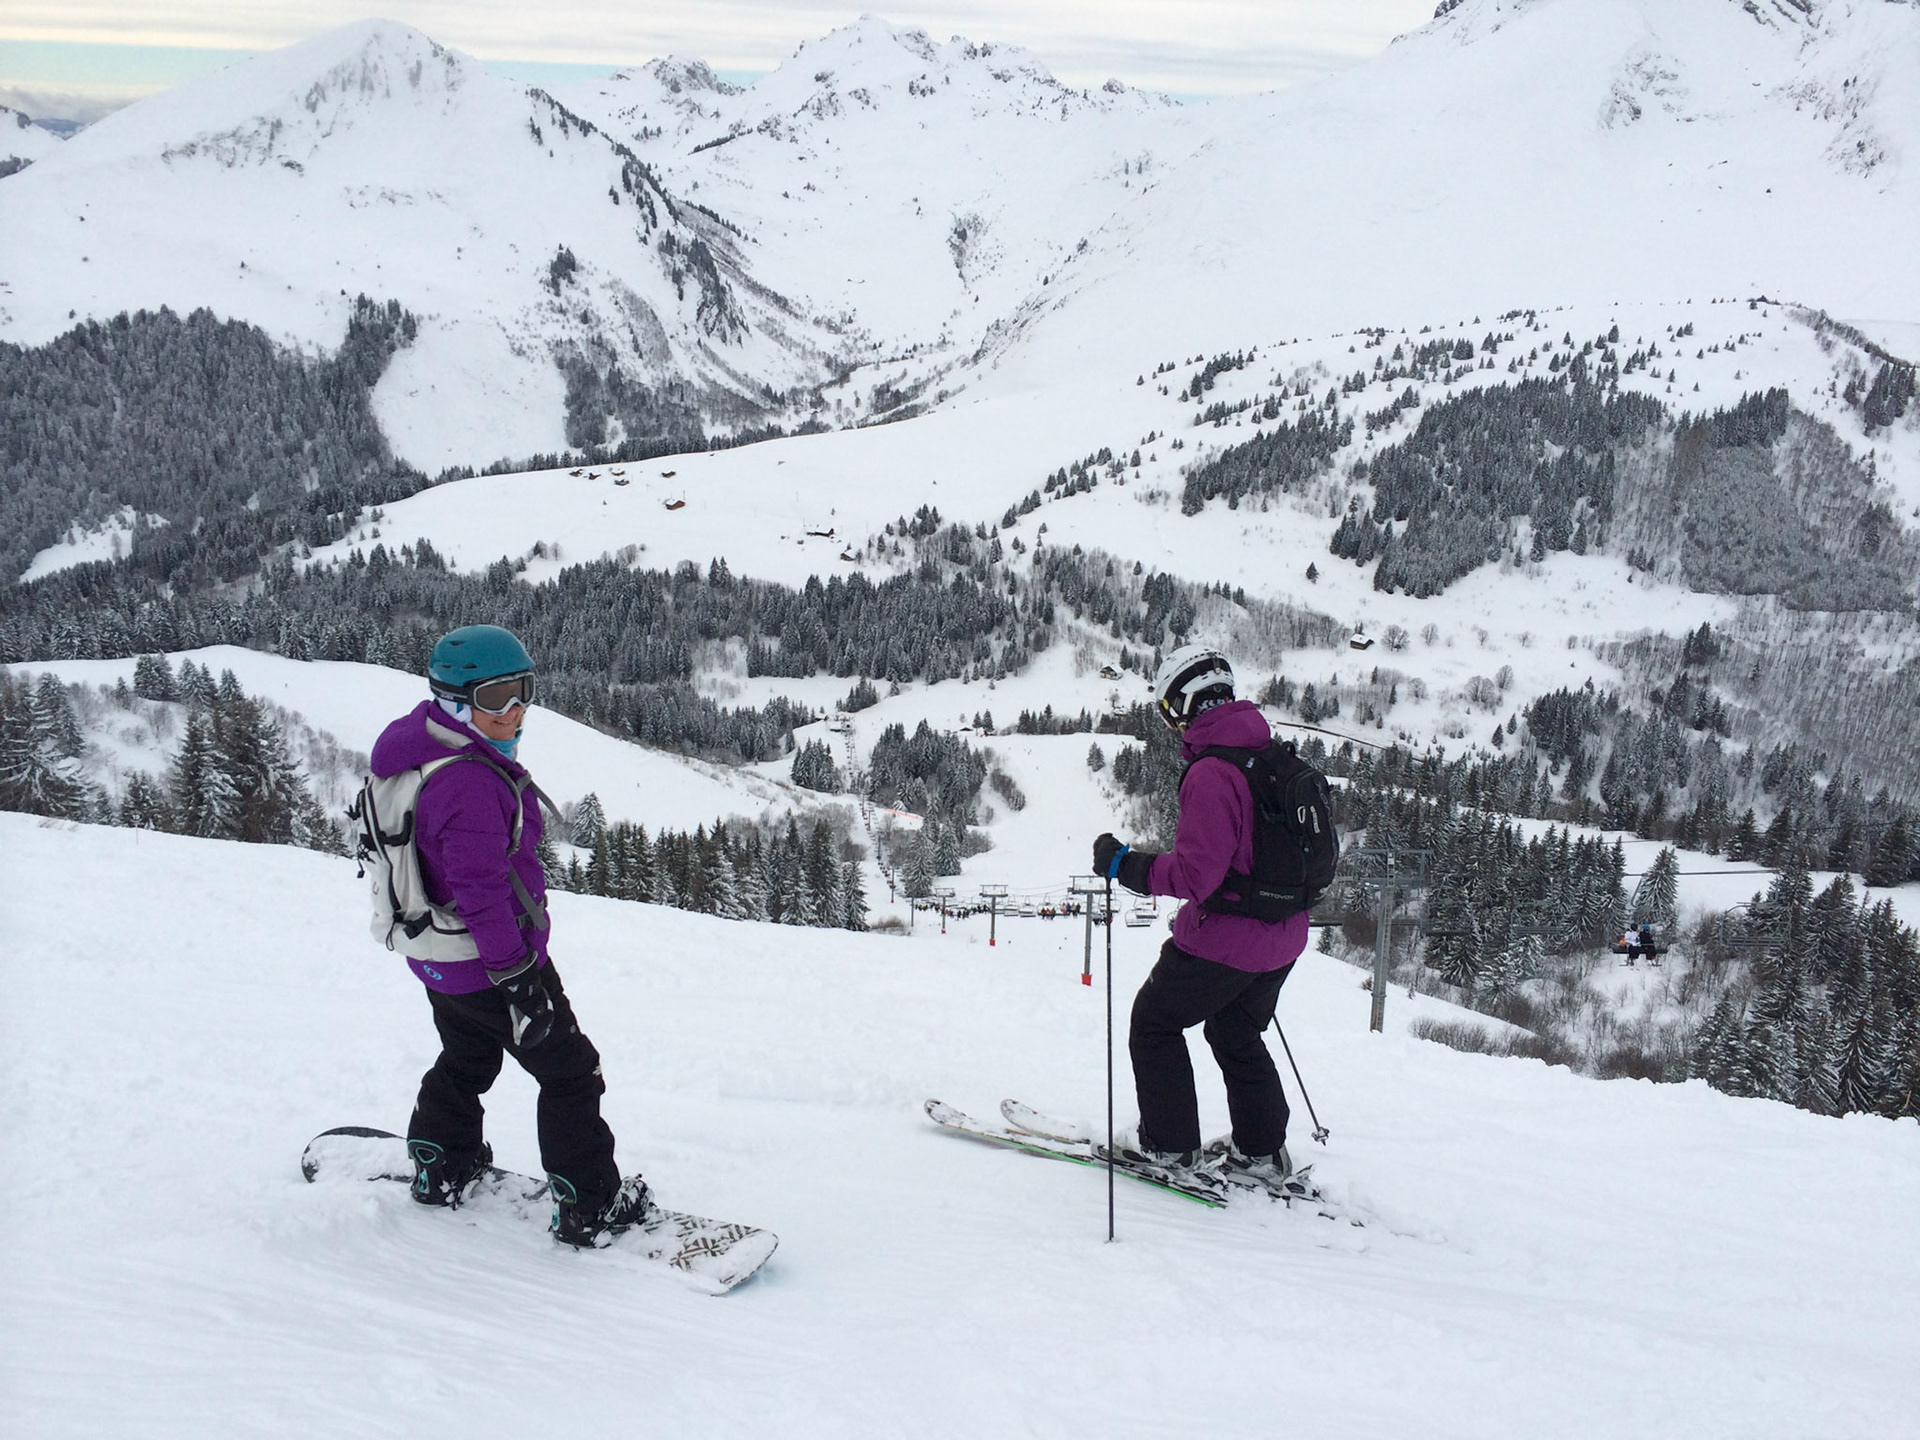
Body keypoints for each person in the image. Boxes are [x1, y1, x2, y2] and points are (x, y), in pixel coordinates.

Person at [370, 624, 648, 1247]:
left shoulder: (418, 747)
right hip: (495, 962)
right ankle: (589, 1206)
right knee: (571, 1073)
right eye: (497, 697)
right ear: (455, 702)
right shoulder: (466, 781)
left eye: (524, 691)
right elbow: (483, 893)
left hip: (438, 959)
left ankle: (441, 1161)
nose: (516, 710)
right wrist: (519, 980)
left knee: (467, 1056)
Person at [1092, 645, 1310, 1185]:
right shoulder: (1272, 757)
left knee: (1155, 1022)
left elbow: (1195, 876)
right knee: (1235, 1032)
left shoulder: (1213, 772)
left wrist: (1126, 866)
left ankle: (1170, 1148)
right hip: (1283, 936)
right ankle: (1261, 1153)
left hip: (1227, 939)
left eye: (1169, 712)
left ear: (1183, 705)